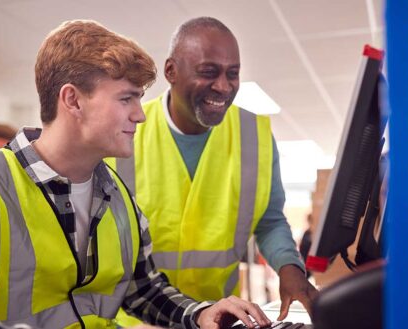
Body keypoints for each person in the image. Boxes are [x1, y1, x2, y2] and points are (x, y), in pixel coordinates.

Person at [0, 20, 272, 329]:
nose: (140, 115)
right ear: (73, 101)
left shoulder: (118, 196)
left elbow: (143, 289)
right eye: (126, 99)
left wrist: (199, 314)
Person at [108, 16, 318, 323]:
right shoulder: (126, 132)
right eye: (208, 72)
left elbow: (269, 220)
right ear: (171, 71)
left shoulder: (254, 136)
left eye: (233, 74)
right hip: (137, 320)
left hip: (217, 318)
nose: (223, 86)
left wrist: (291, 269)